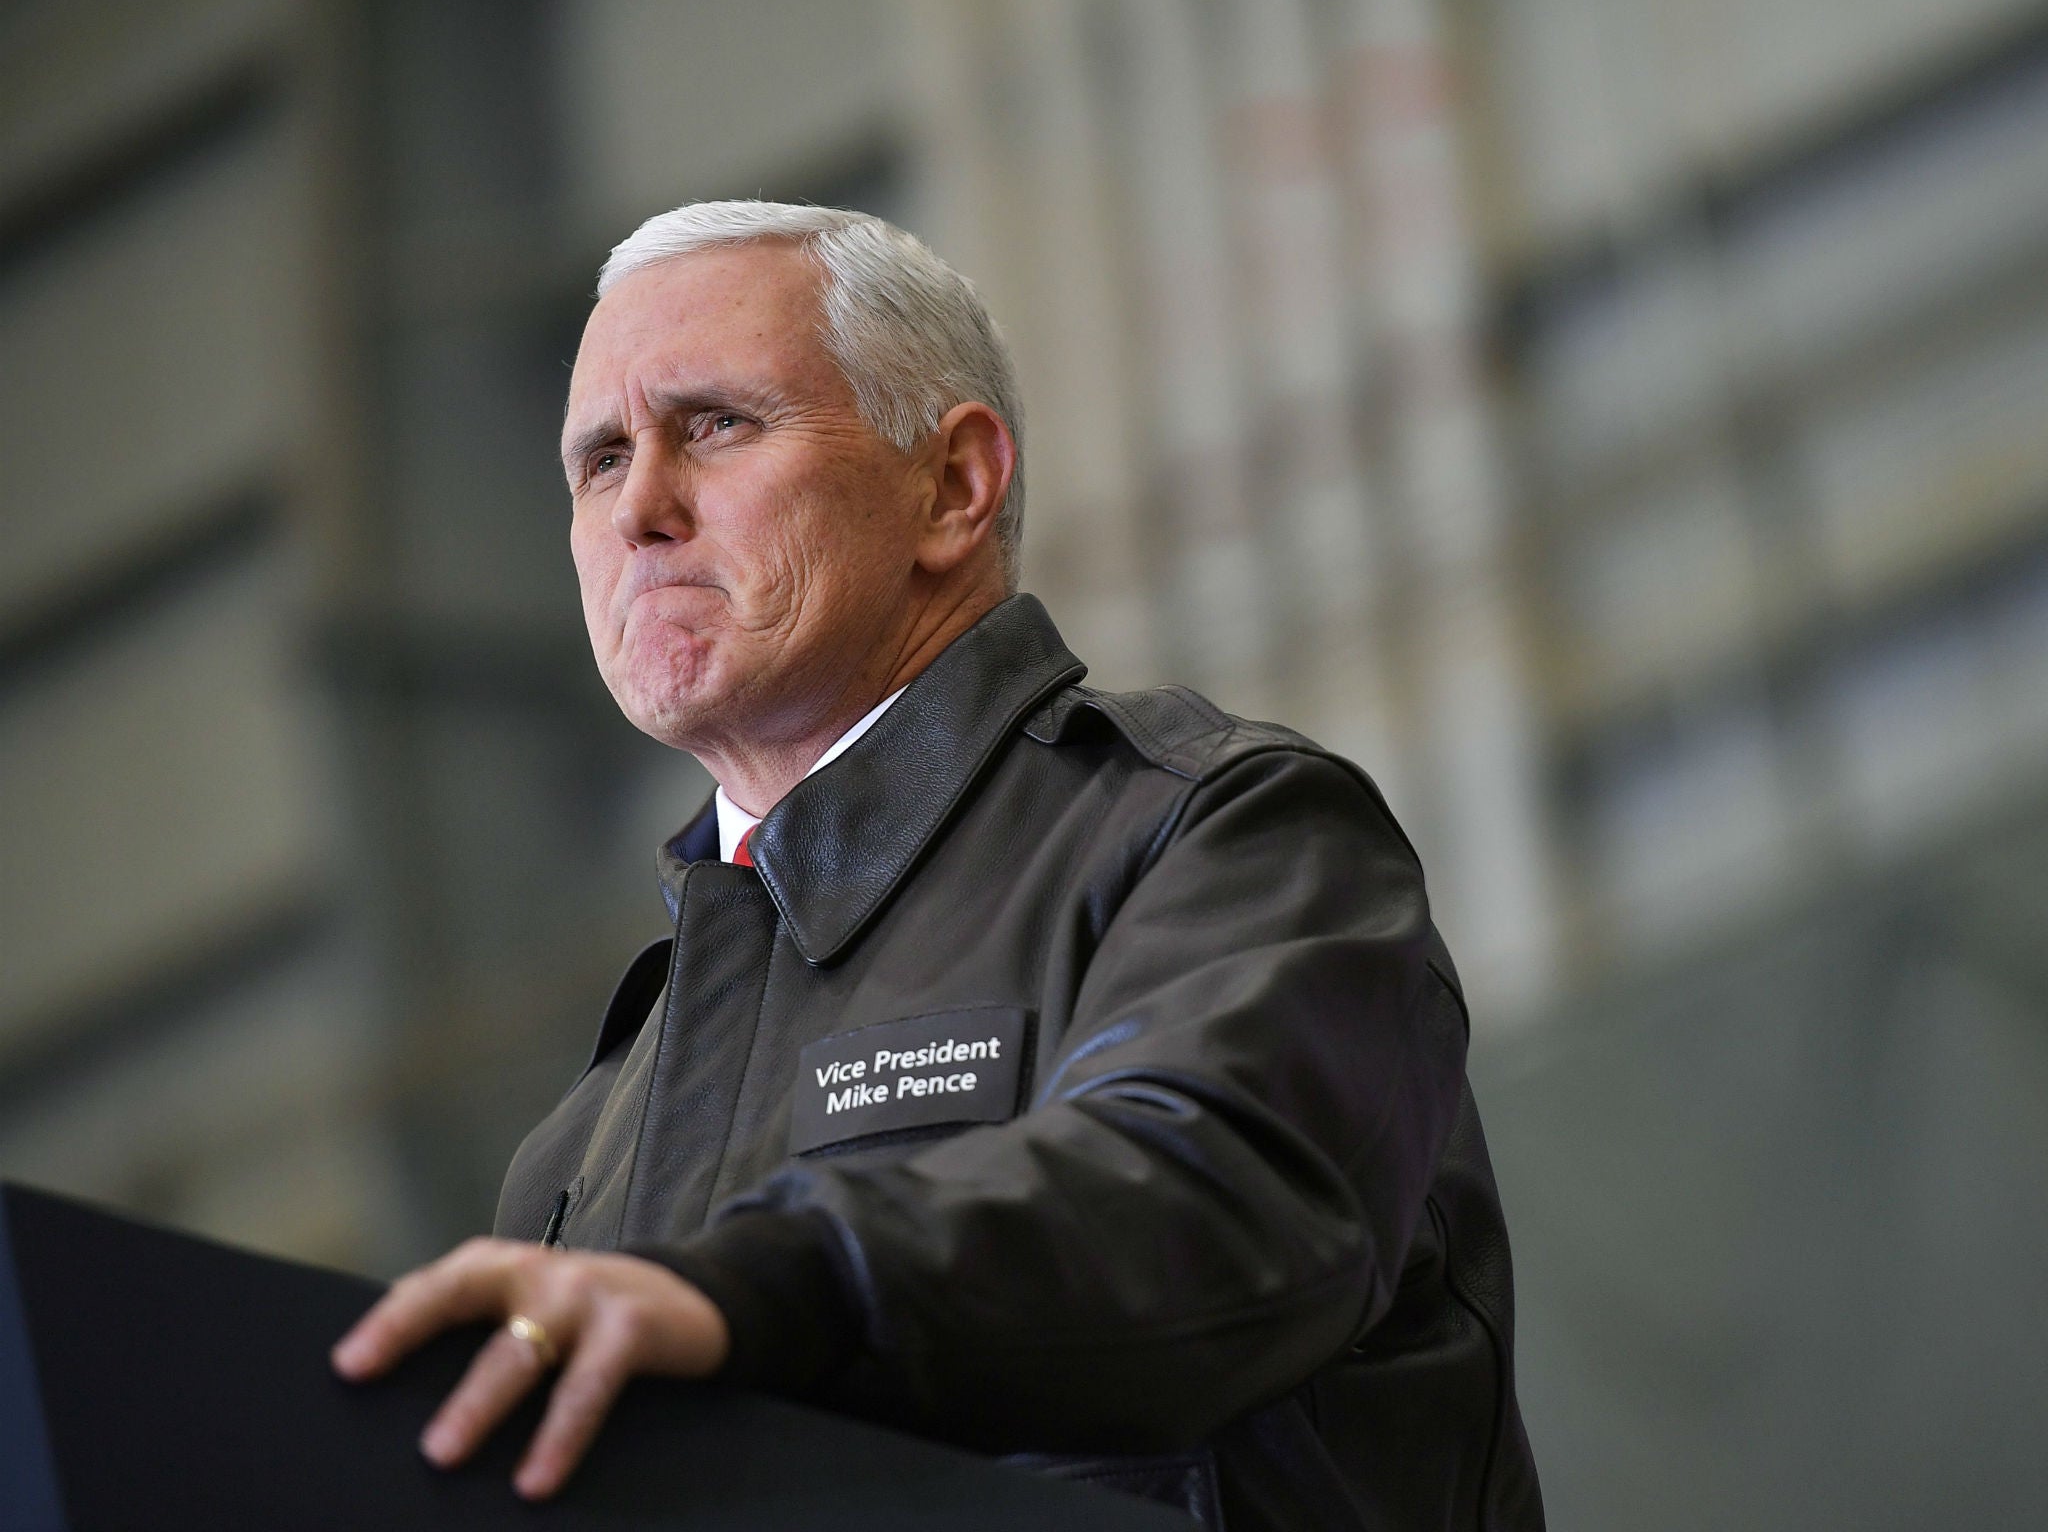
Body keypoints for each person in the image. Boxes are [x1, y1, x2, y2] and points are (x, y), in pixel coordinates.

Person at [332, 201, 1544, 1531]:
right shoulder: (580, 1145)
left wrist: (771, 1297)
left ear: (954, 487)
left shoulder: (1218, 837)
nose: (641, 511)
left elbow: (1203, 1207)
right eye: (601, 458)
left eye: (716, 425)